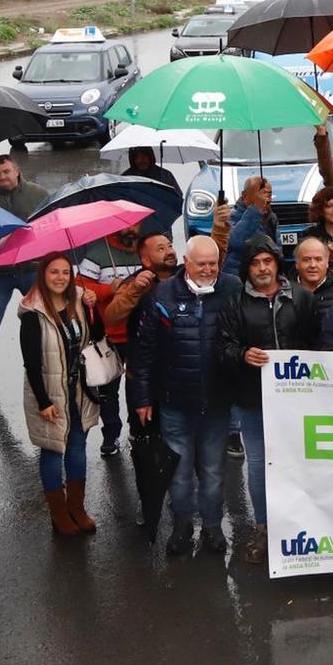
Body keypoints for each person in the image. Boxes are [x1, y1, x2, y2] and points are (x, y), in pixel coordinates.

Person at [133, 236, 232, 557]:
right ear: (186, 263)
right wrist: (143, 398)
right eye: (201, 263)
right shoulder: (161, 295)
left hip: (216, 402)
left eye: (213, 264)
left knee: (214, 471)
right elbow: (144, 352)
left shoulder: (231, 289)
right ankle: (181, 526)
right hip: (174, 402)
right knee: (178, 472)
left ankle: (213, 527)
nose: (207, 270)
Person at [216, 233, 306, 563]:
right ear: (247, 269)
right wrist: (241, 354)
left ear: (277, 262)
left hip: (298, 402)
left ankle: (301, 524)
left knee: (299, 463)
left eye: (267, 261)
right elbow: (222, 348)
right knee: (259, 467)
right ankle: (265, 528)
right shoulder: (235, 303)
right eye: (255, 263)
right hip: (252, 400)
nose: (262, 268)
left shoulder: (300, 297)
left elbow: (317, 345)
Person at [18, 252, 105, 538]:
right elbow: (31, 362)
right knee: (54, 450)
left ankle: (76, 508)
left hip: (79, 389)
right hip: (50, 394)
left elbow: (97, 335)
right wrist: (43, 402)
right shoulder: (33, 312)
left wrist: (93, 308)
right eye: (54, 272)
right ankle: (58, 513)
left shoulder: (78, 300)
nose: (60, 278)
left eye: (65, 272)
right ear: (43, 275)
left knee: (78, 448)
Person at [103, 233, 179, 534]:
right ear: (146, 259)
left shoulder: (185, 278)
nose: (170, 251)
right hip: (143, 380)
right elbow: (112, 316)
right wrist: (134, 291)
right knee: (145, 446)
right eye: (161, 249)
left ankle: (179, 499)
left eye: (171, 246)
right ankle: (149, 505)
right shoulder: (135, 282)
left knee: (178, 443)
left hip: (177, 378)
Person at [0, 154, 51, 391]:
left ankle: (51, 365)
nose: (2, 177)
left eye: (6, 172)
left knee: (46, 319)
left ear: (16, 171)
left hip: (31, 268)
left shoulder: (38, 194)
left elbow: (48, 226)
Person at [76, 225, 142, 458]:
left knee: (137, 388)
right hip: (109, 335)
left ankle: (137, 430)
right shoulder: (97, 254)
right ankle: (111, 435)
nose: (131, 230)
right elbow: (80, 285)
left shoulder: (143, 249)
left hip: (139, 334)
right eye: (126, 227)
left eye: (136, 226)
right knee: (108, 390)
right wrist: (108, 289)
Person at [291, 235, 333, 334]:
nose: (313, 265)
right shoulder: (284, 290)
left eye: (318, 259)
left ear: (327, 262)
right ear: (297, 264)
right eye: (306, 260)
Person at [224, 174, 280, 280]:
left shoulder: (271, 217)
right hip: (240, 279)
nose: (266, 199)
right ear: (245, 196)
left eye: (269, 194)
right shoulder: (232, 217)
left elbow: (277, 249)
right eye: (261, 194)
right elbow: (235, 241)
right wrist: (255, 210)